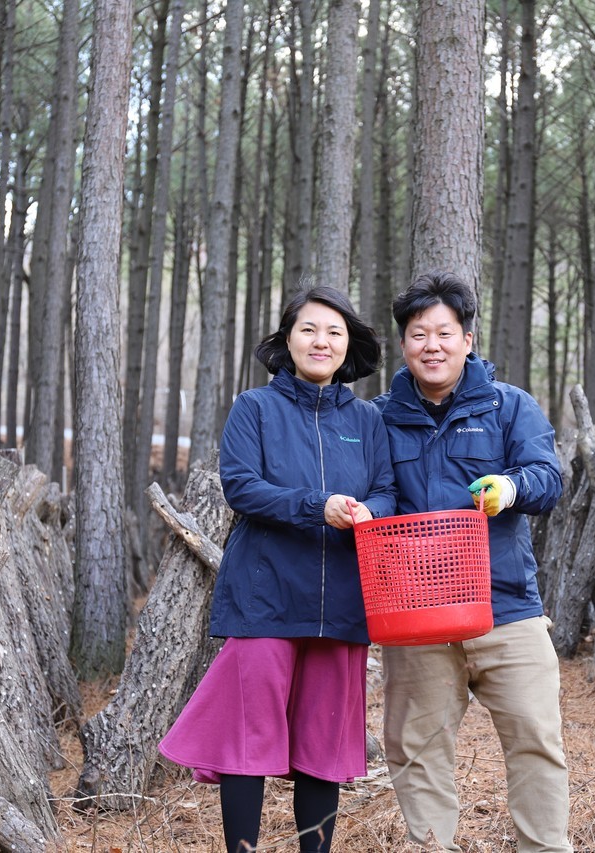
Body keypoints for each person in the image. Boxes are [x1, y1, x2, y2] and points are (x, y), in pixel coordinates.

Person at [159, 285, 396, 853]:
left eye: (334, 332)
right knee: (248, 738)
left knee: (323, 744)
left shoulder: (367, 420)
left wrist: (370, 512)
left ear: (348, 346)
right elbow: (242, 487)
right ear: (287, 339)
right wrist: (319, 506)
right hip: (264, 599)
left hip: (341, 603)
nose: (321, 341)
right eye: (309, 329)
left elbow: (387, 489)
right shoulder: (255, 408)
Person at [373, 271, 572, 852]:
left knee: (536, 738)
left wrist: (510, 488)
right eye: (417, 334)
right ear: (403, 345)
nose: (431, 345)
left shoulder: (511, 407)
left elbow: (548, 478)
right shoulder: (379, 417)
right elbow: (374, 491)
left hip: (506, 608)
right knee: (417, 750)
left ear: (467, 338)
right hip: (416, 617)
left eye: (443, 332)